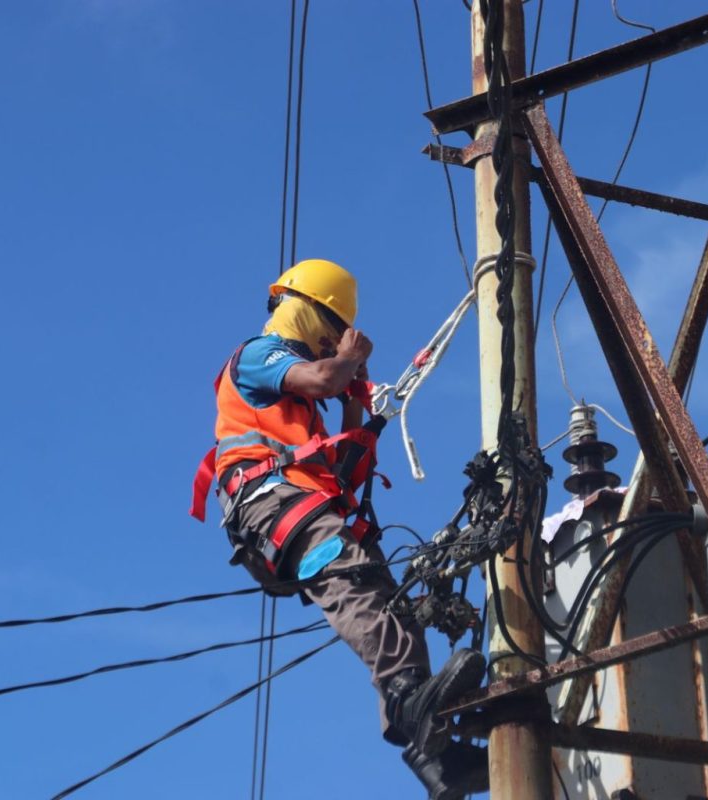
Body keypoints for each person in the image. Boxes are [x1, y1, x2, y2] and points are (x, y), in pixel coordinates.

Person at [191, 259, 487, 799]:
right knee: (348, 576)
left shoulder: (306, 407)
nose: (330, 347)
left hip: (297, 500)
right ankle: (405, 694)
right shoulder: (258, 356)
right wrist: (347, 363)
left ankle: (433, 754)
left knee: (388, 598)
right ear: (306, 312)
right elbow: (326, 375)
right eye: (329, 334)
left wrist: (359, 410)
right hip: (269, 502)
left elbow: (343, 470)